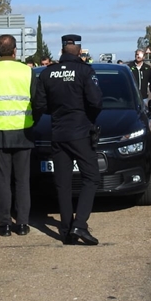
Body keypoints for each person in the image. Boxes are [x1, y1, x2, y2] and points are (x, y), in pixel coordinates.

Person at [33, 34, 103, 245]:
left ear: (62, 50)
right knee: (91, 176)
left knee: (62, 183)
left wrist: (56, 111)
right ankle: (80, 225)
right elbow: (96, 101)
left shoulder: (47, 73)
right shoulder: (84, 71)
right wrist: (88, 118)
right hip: (80, 132)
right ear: (79, 51)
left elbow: (40, 105)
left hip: (58, 133)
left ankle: (66, 229)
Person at [0, 34, 36, 236]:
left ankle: (4, 224)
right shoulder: (27, 71)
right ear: (15, 50)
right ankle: (22, 224)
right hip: (23, 131)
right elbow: (37, 101)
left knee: (2, 180)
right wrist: (33, 121)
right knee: (22, 181)